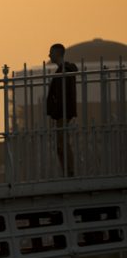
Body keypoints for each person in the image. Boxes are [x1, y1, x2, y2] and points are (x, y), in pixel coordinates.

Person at [46, 43, 78, 177]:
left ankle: (69, 172)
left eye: (51, 53)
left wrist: (57, 110)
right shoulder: (64, 70)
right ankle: (67, 170)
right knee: (61, 143)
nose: (49, 55)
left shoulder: (64, 71)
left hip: (63, 112)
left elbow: (63, 95)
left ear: (57, 53)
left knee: (62, 143)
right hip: (62, 112)